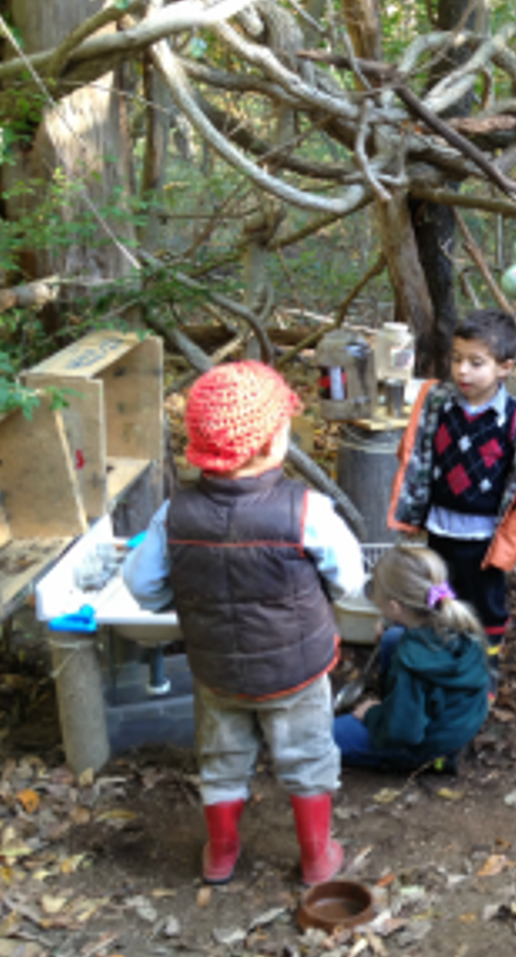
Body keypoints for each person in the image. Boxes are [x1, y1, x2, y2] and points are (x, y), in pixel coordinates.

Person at [123, 361, 364, 887]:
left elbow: (143, 587)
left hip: (218, 673)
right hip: (296, 670)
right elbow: (349, 580)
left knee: (222, 759)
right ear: (272, 442)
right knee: (306, 756)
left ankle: (221, 854)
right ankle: (318, 857)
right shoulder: (307, 510)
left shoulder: (173, 515)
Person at [388, 309, 516, 696]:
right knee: (442, 597)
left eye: (475, 363)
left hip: (483, 537)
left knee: (487, 606)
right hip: (440, 526)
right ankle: (449, 663)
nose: (462, 370)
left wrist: (510, 543)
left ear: (505, 368)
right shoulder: (439, 404)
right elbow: (415, 453)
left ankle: (486, 670)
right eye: (456, 358)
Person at [334, 545, 490, 774]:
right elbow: (405, 624)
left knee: (324, 737)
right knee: (392, 638)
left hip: (425, 743)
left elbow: (404, 733)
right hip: (460, 721)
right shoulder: (455, 620)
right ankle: (402, 707)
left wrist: (372, 714)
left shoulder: (411, 662)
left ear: (396, 608)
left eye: (381, 604)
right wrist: (390, 624)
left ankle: (433, 759)